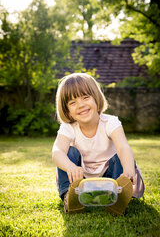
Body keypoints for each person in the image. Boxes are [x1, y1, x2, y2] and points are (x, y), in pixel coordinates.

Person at [52, 73, 144, 214]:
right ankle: (69, 196)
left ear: (96, 98)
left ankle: (118, 195)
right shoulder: (68, 127)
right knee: (68, 153)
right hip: (80, 177)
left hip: (111, 175)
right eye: (72, 103)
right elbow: (57, 151)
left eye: (85, 97)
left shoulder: (110, 122)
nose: (81, 105)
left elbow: (123, 146)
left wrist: (128, 171)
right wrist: (70, 166)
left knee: (121, 156)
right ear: (68, 111)